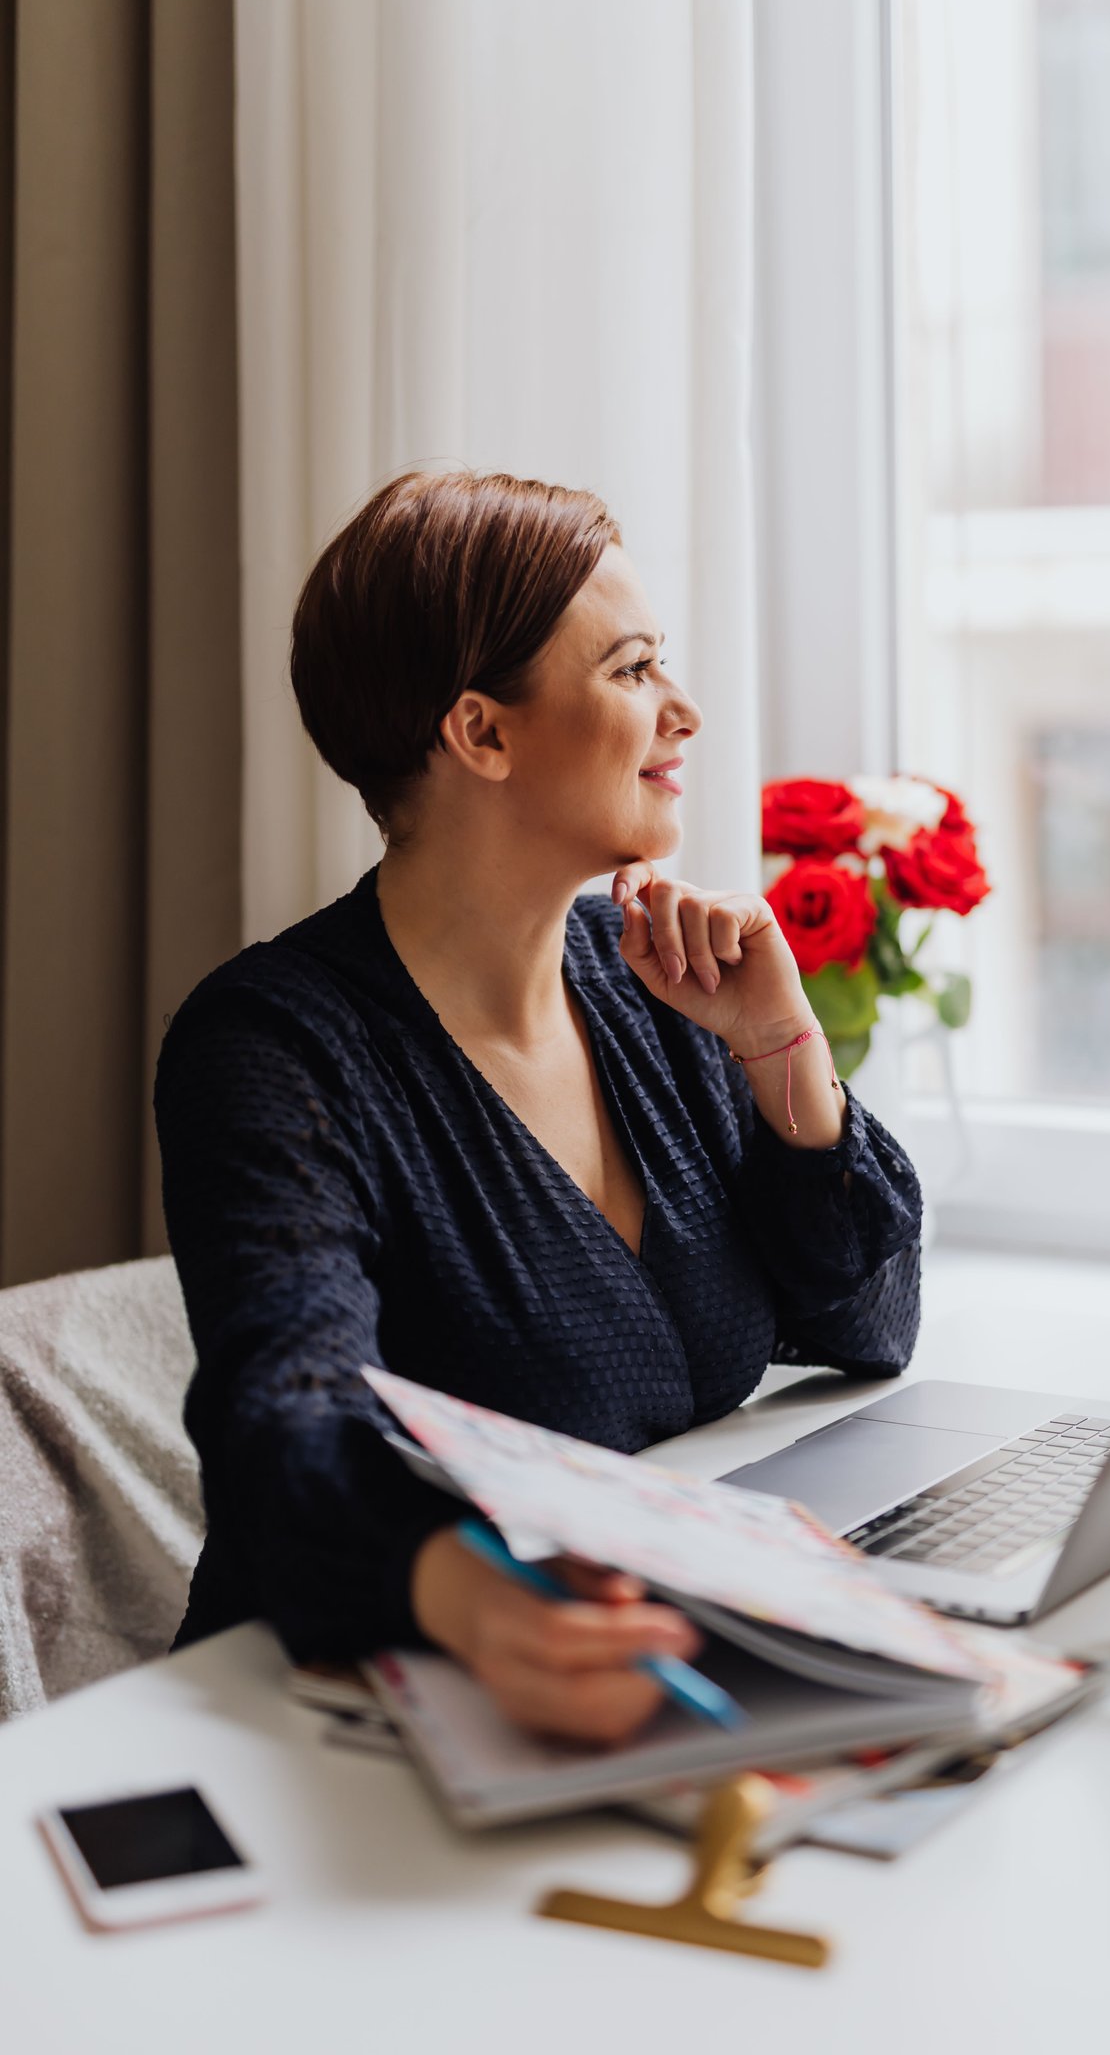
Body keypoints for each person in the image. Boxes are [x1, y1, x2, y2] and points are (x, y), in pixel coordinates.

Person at [154, 468, 922, 1745]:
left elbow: (872, 1326)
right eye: (631, 671)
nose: (683, 710)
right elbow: (281, 1422)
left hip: (649, 1659)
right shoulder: (270, 1047)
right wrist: (477, 1593)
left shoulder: (652, 987)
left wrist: (781, 1048)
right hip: (341, 1718)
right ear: (483, 735)